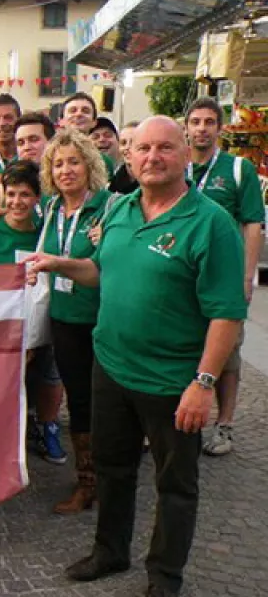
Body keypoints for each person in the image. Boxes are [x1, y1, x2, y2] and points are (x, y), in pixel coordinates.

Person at [27, 116, 246, 597]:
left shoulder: (212, 223)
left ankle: (164, 577)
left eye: (164, 148)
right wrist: (59, 263)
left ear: (185, 153)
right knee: (112, 467)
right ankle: (110, 550)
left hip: (172, 381)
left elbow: (227, 314)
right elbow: (101, 271)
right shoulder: (121, 210)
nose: (152, 157)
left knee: (176, 486)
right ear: (129, 157)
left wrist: (203, 382)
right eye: (143, 148)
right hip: (111, 366)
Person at [0, 160, 67, 465]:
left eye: (25, 195)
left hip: (35, 321)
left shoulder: (46, 235)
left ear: (37, 198)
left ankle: (48, 426)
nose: (17, 202)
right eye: (12, 194)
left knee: (49, 368)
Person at [184, 97, 265, 456]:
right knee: (182, 346)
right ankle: (178, 416)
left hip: (223, 277)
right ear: (186, 127)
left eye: (208, 122)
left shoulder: (237, 170)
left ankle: (225, 425)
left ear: (219, 128)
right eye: (196, 122)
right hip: (183, 275)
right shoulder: (177, 164)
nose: (202, 128)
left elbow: (252, 223)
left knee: (228, 354)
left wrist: (247, 277)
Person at [38, 129, 112, 513]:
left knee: (107, 402)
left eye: (73, 161)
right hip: (64, 319)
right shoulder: (50, 209)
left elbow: (102, 268)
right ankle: (87, 482)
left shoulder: (111, 208)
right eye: (58, 163)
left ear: (89, 164)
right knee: (79, 400)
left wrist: (58, 263)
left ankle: (111, 477)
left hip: (101, 320)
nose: (66, 170)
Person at [59, 92, 115, 178]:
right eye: (73, 110)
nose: (78, 114)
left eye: (85, 111)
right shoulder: (49, 157)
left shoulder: (104, 162)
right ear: (61, 121)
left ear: (94, 122)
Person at [109, 120, 140, 195]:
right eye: (123, 143)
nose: (127, 147)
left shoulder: (153, 181)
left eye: (133, 142)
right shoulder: (112, 184)